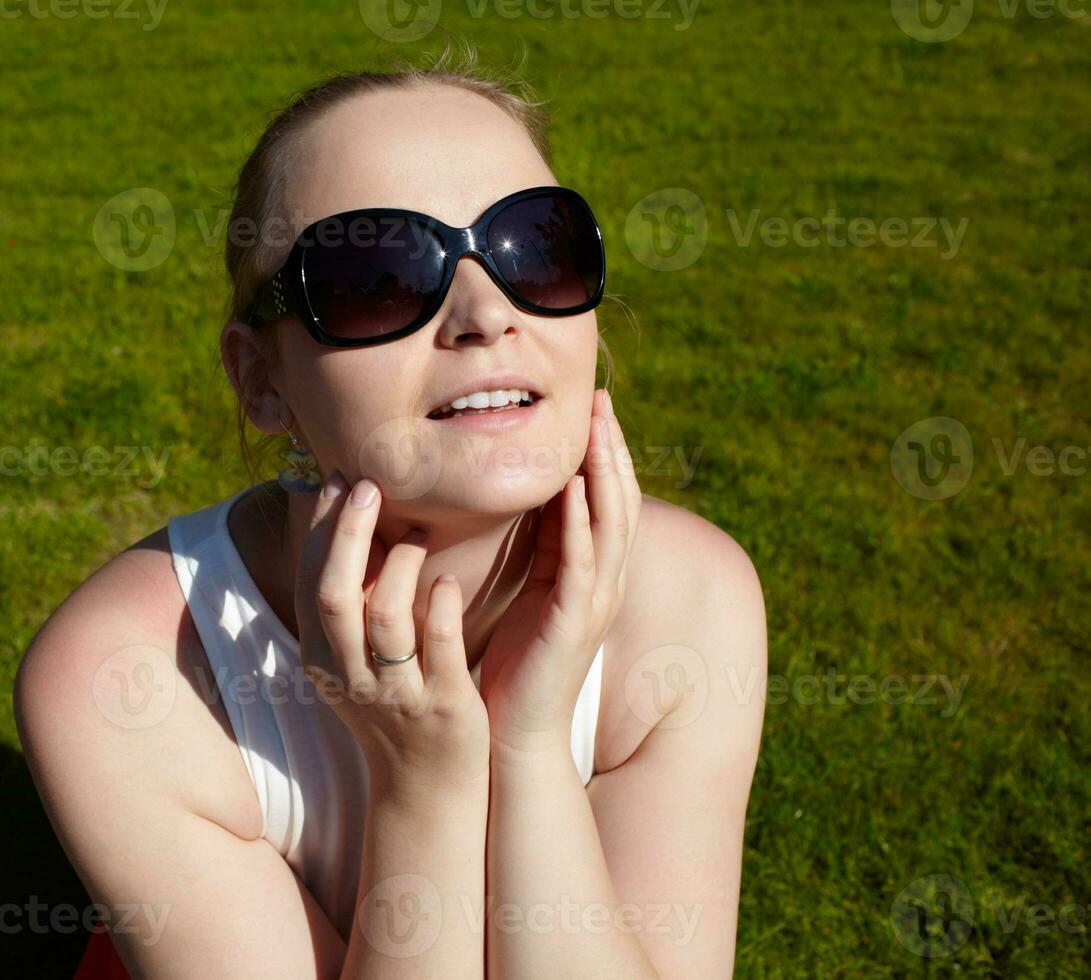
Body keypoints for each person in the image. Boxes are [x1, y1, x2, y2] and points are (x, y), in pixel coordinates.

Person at [15, 43, 767, 980]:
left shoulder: (690, 603)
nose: (487, 312)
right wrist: (424, 789)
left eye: (534, 244)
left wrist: (527, 746)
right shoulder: (129, 676)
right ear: (262, 383)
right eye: (376, 276)